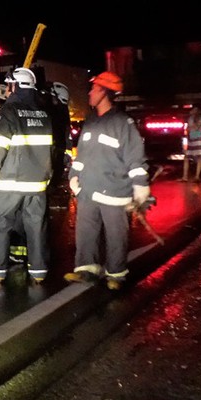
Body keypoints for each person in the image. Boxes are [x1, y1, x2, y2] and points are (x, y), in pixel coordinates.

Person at [64, 71, 150, 290]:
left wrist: (140, 187)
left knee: (116, 235)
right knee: (85, 231)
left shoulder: (123, 123)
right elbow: (81, 155)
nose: (90, 93)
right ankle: (86, 269)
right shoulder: (91, 121)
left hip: (115, 191)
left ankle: (116, 274)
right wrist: (74, 175)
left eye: (94, 89)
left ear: (104, 92)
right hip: (88, 190)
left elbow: (135, 158)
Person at [0, 67, 54, 285]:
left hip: (11, 183)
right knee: (36, 226)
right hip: (37, 184)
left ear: (15, 86)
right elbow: (51, 150)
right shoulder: (44, 114)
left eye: (9, 85)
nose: (6, 90)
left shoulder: (10, 112)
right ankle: (39, 271)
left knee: (0, 223)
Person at [181, 105, 201, 182]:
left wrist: (191, 127)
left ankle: (197, 177)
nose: (190, 112)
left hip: (198, 138)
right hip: (191, 139)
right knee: (187, 157)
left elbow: (196, 127)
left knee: (199, 158)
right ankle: (184, 177)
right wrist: (190, 127)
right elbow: (188, 128)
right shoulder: (190, 118)